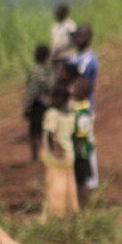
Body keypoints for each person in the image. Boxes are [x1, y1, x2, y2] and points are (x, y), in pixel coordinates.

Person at [40, 84, 79, 217]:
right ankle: (70, 212)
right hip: (69, 154)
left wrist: (54, 149)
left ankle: (56, 214)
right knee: (69, 183)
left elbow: (50, 133)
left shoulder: (52, 114)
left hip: (56, 156)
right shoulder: (71, 115)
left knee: (56, 185)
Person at [70, 77, 97, 207]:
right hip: (80, 150)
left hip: (80, 152)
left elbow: (81, 136)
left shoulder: (83, 112)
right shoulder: (80, 107)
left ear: (81, 93)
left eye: (75, 88)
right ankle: (81, 205)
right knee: (79, 180)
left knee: (81, 181)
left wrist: (75, 150)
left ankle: (83, 206)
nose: (72, 89)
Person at [23, 44, 53, 162]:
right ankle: (49, 154)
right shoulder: (50, 70)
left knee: (34, 132)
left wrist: (26, 107)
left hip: (37, 104)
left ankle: (34, 157)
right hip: (48, 103)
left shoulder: (35, 72)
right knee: (48, 130)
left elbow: (31, 92)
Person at [69, 26, 99, 108]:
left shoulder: (89, 58)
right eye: (76, 36)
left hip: (84, 103)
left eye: (80, 36)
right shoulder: (73, 57)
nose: (76, 39)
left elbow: (80, 75)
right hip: (74, 102)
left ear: (87, 39)